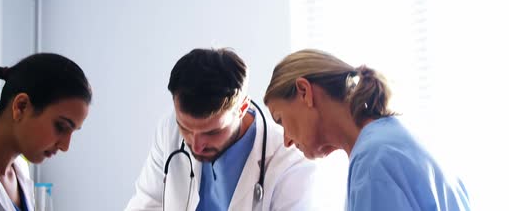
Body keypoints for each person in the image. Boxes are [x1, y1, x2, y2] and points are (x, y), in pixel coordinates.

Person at [264, 49, 471, 211]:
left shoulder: (373, 160)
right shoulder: (395, 139)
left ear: (304, 92)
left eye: (280, 120)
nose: (286, 141)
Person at [125, 48, 321, 211]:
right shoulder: (169, 129)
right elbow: (146, 204)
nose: (197, 146)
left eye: (212, 132)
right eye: (185, 128)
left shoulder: (290, 160)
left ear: (242, 108)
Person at [0, 53, 92, 211]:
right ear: (21, 107)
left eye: (73, 131)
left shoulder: (19, 168)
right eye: (60, 126)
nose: (65, 146)